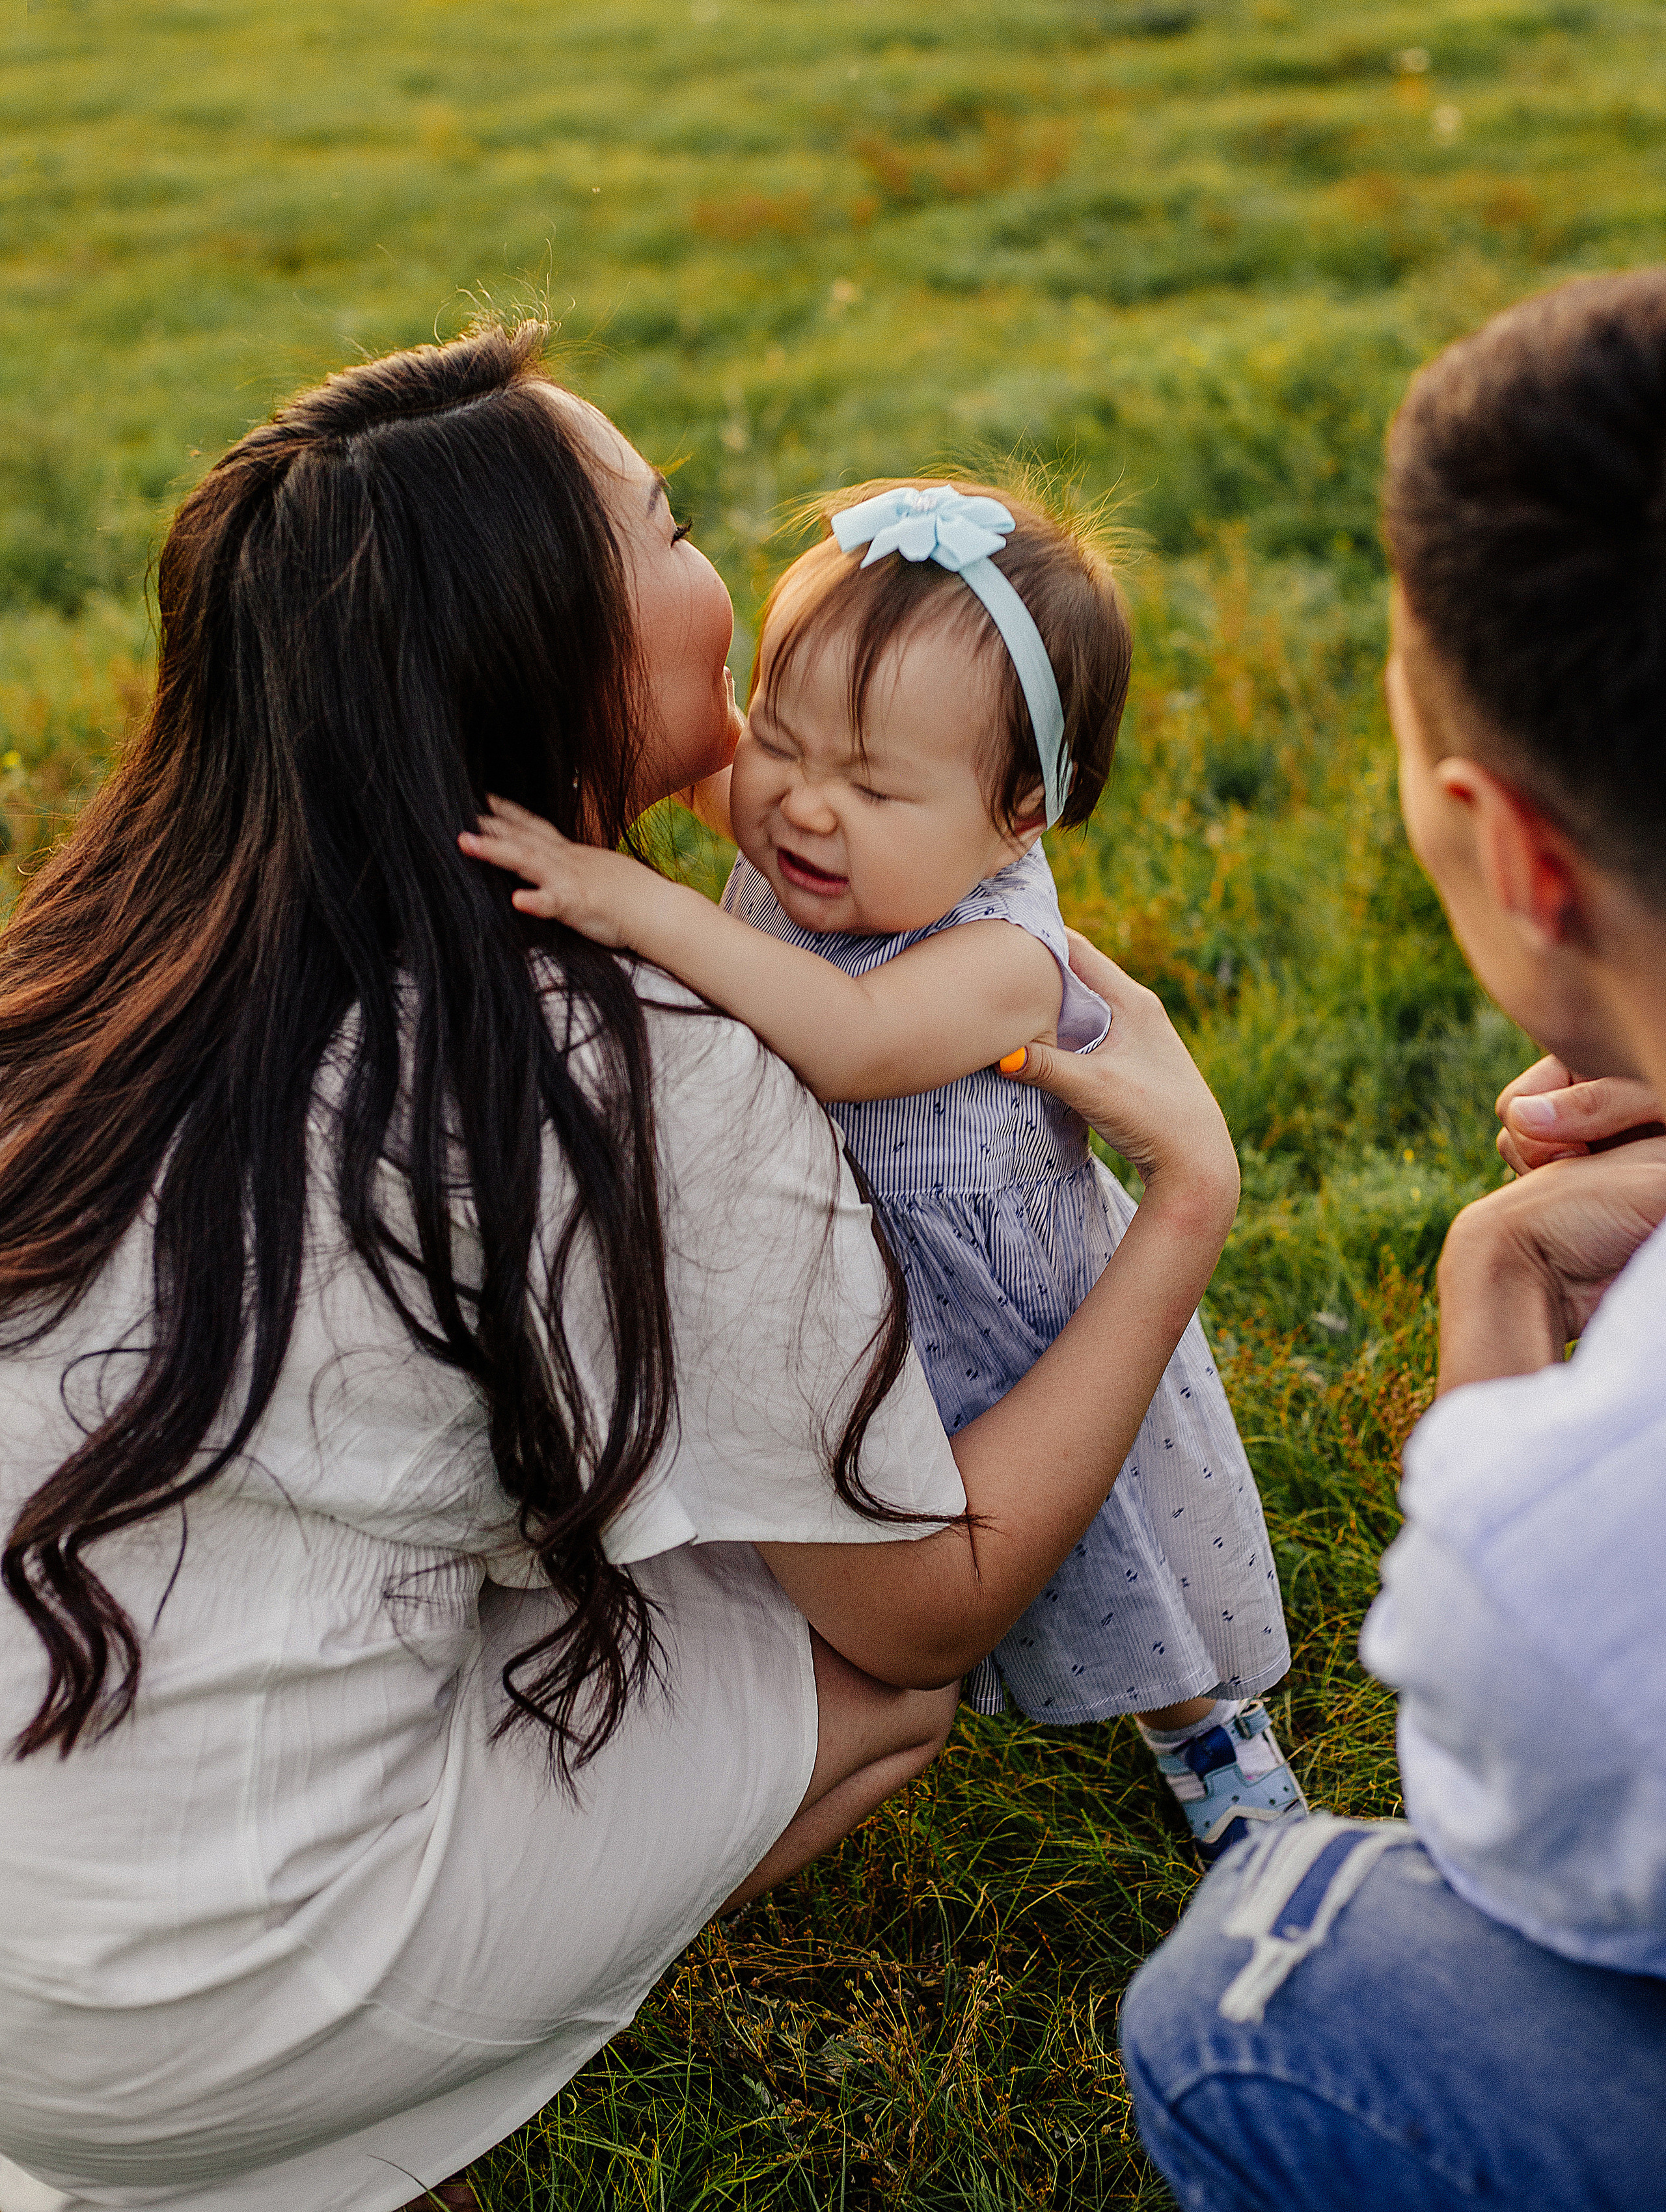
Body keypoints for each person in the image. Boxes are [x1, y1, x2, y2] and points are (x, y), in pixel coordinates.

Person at [0, 323, 1246, 2212]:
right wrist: (1183, 1208)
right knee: (869, 1682)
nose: (717, 568)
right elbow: (926, 1611)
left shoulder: (123, 947)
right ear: (555, 651)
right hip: (167, 2009)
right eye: (664, 527)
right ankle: (305, 2130)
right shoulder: (626, 1062)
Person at [465, 476, 1302, 1859]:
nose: (800, 808)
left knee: (1097, 1539)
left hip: (995, 1317)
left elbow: (849, 1039)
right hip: (834, 1284)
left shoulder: (1003, 956)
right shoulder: (801, 830)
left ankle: (1201, 1724)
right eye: (783, 740)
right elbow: (701, 764)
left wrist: (637, 903)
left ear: (1019, 812)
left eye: (871, 786)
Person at [1119, 267, 1666, 2209]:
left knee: (1263, 1989)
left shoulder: (1573, 1539)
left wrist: (1492, 1287)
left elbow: (1518, 1835)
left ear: (1507, 849)